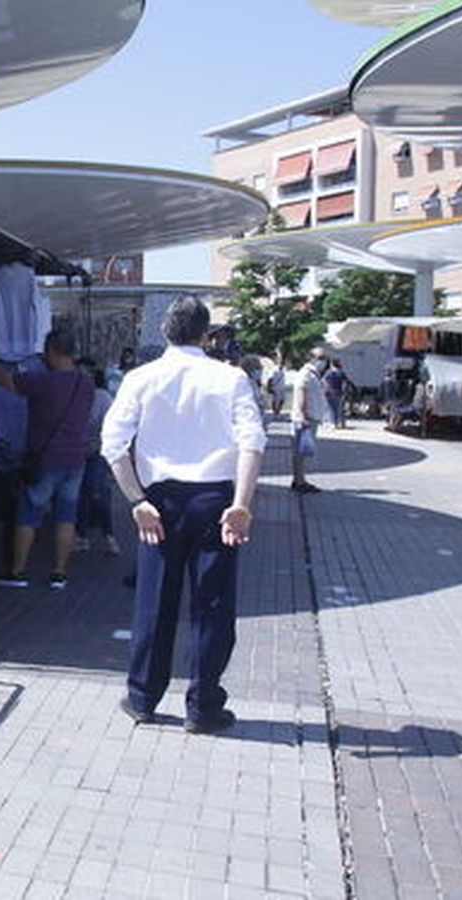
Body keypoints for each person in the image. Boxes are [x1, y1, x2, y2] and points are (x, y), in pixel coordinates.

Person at [101, 296, 266, 735]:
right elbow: (253, 442)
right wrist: (242, 504)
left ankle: (142, 697)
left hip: (160, 500)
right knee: (212, 606)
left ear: (164, 332)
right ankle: (203, 705)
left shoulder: (141, 377)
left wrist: (136, 500)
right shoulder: (230, 379)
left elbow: (112, 444)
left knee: (154, 602)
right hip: (215, 497)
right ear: (206, 334)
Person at [0, 329, 94, 590]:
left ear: (50, 350)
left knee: (28, 515)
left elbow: (5, 380)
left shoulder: (42, 381)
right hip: (75, 459)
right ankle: (59, 573)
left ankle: (17, 571)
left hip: (46, 459)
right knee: (66, 517)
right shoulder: (85, 383)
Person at [75, 360, 120, 556]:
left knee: (98, 490)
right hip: (74, 451)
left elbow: (110, 429)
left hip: (97, 451)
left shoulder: (102, 398)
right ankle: (81, 536)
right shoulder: (71, 394)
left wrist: (99, 447)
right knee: (80, 494)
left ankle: (109, 536)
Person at [290, 349, 329, 493]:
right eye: (321, 357)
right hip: (306, 418)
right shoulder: (306, 373)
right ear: (311, 358)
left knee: (302, 452)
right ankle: (299, 482)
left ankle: (300, 479)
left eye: (325, 358)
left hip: (311, 417)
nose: (324, 361)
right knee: (300, 452)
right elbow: (301, 391)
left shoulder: (315, 374)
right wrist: (301, 414)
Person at [323, 359, 353, 429]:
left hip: (329, 392)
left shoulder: (328, 372)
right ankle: (341, 423)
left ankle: (333, 423)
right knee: (339, 408)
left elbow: (324, 382)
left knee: (331, 408)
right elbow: (347, 382)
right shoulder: (341, 372)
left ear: (332, 364)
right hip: (339, 392)